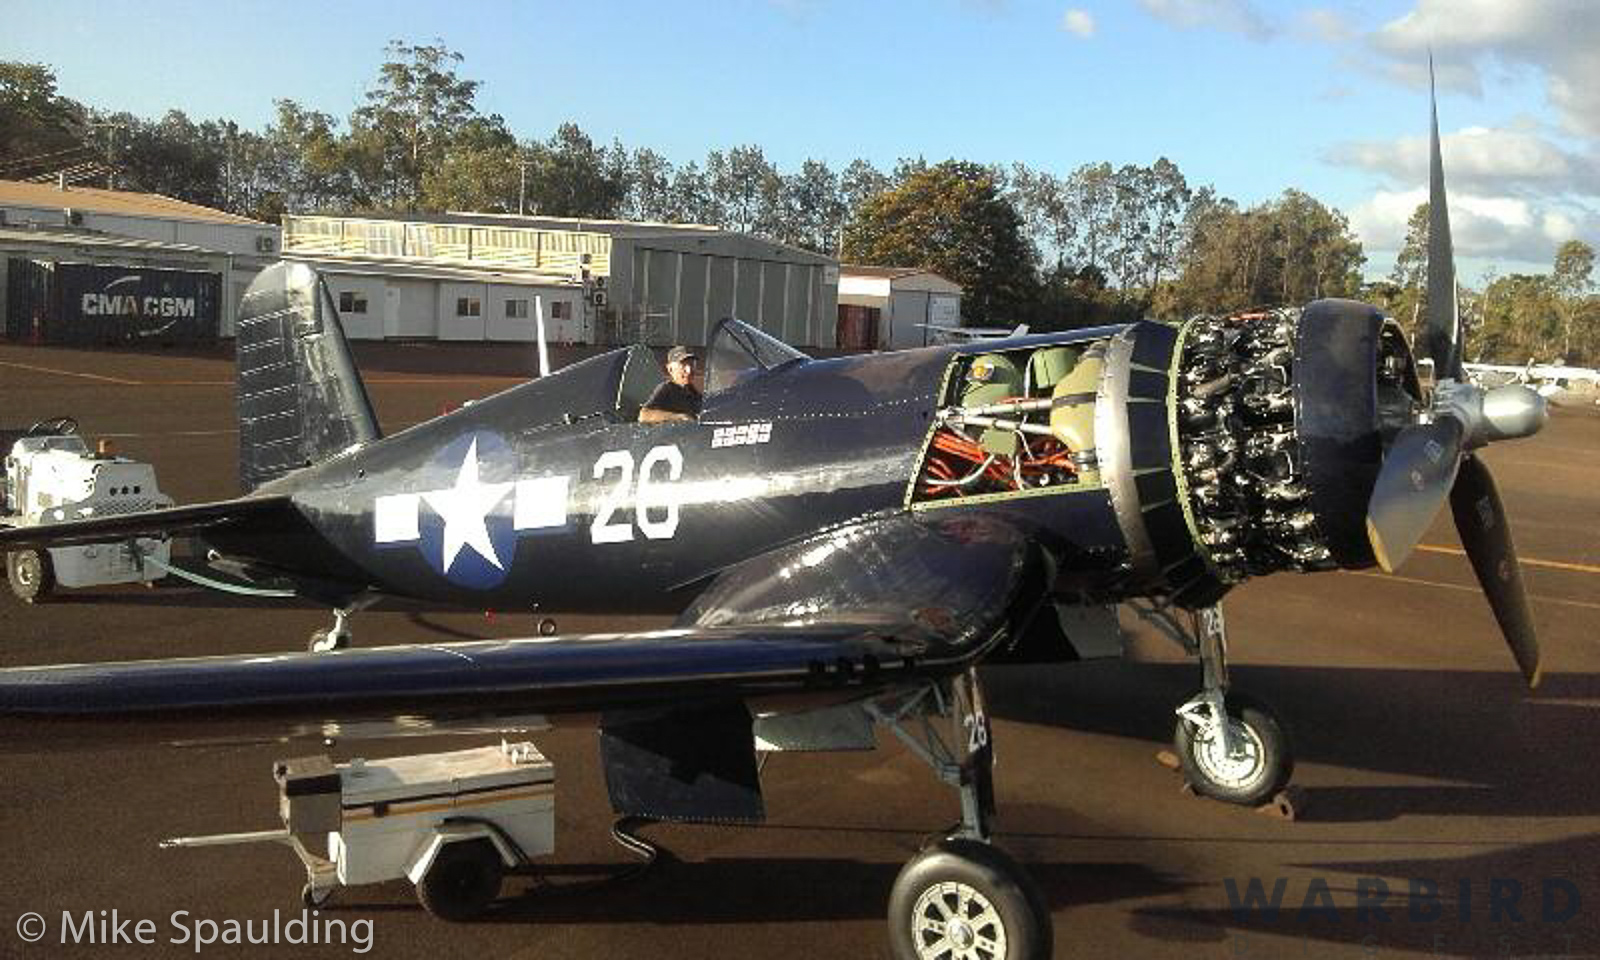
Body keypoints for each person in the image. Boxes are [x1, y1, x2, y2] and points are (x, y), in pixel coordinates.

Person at [639, 345, 702, 423]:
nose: (689, 371)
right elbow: (644, 415)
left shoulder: (694, 393)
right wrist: (680, 417)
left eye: (692, 365)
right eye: (683, 365)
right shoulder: (667, 389)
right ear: (670, 369)